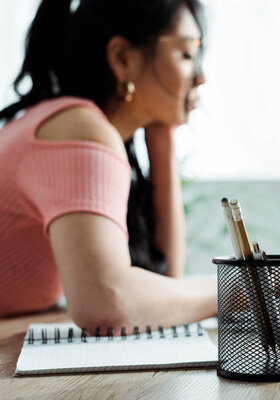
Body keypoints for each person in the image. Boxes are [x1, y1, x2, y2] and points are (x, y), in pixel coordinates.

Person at [0, 0, 217, 330]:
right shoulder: (79, 131)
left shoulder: (66, 121)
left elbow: (163, 283)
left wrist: (162, 138)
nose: (201, 76)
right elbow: (107, 303)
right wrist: (239, 288)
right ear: (123, 58)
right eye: (187, 53)